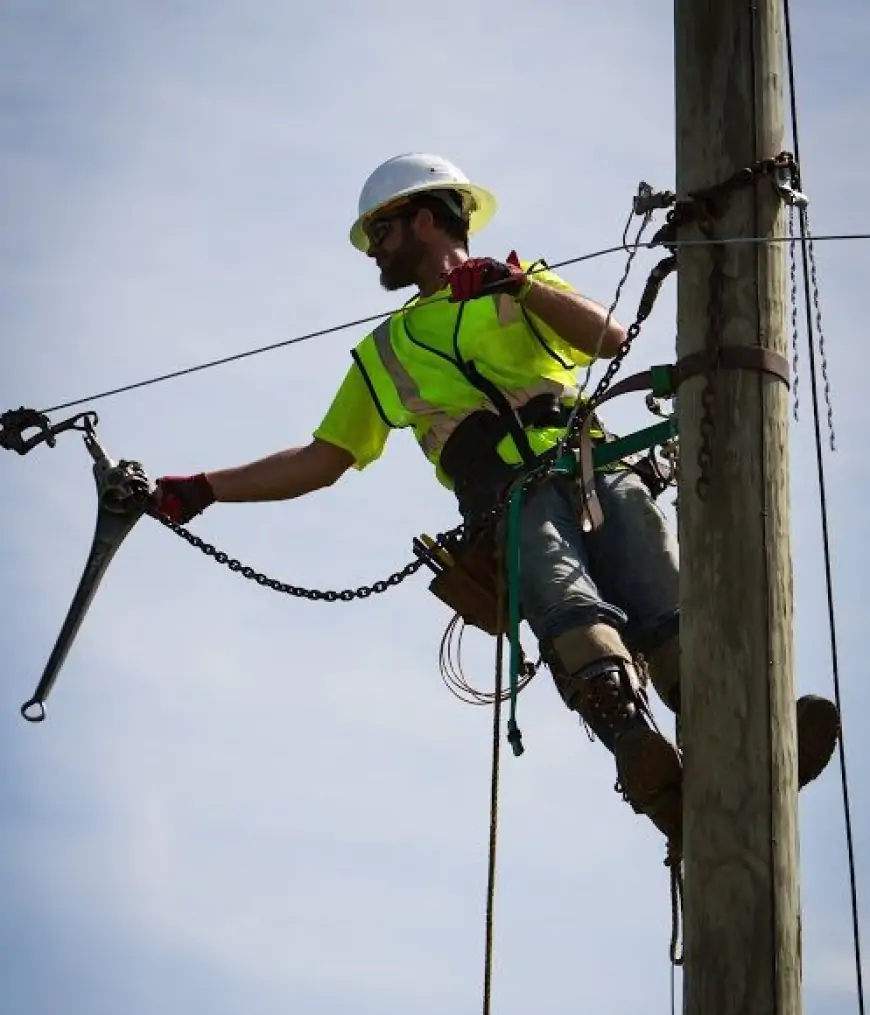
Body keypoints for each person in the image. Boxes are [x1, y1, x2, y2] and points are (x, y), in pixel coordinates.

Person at [154, 152, 840, 847]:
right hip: (508, 498)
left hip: (593, 467)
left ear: (422, 219)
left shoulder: (517, 286)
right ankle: (652, 768)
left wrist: (518, 284)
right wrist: (206, 487)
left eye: (380, 235)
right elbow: (320, 460)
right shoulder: (385, 349)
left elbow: (607, 337)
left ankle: (743, 747)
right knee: (573, 611)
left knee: (668, 612)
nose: (373, 256)